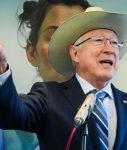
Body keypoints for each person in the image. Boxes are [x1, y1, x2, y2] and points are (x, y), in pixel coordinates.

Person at [0, 6, 127, 150]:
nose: (109, 49)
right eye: (98, 40)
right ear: (75, 54)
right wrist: (2, 72)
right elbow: (10, 115)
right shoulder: (49, 96)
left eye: (114, 42)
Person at [0, 0, 91, 149]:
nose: (70, 49)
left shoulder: (125, 119)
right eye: (54, 37)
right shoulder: (5, 129)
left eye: (80, 39)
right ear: (32, 53)